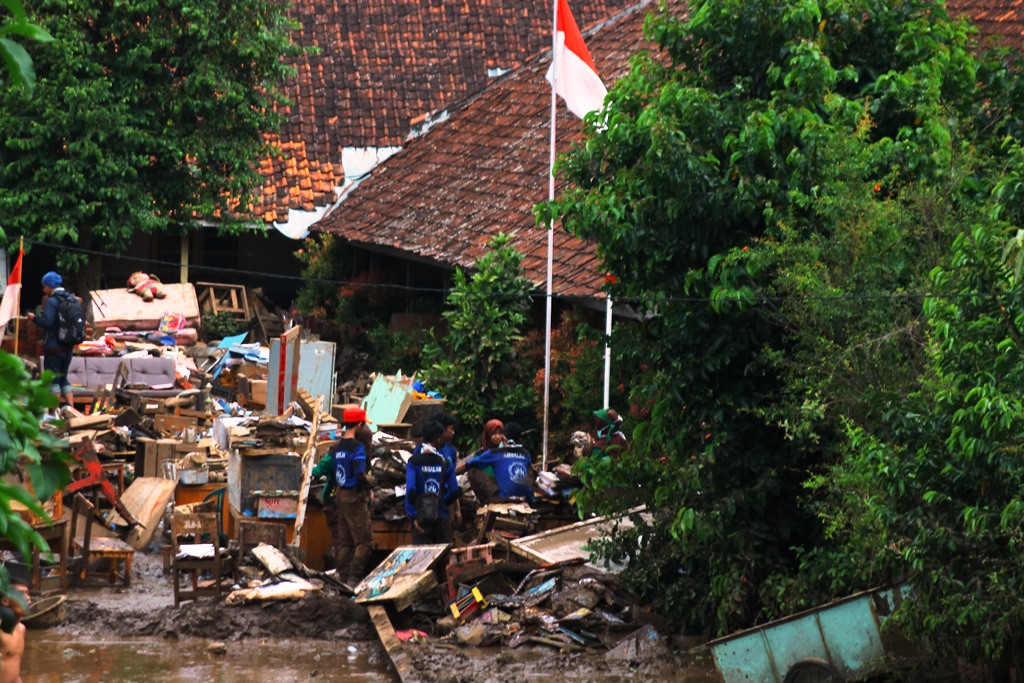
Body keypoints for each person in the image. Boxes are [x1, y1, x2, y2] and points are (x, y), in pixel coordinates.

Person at [310, 408, 375, 587]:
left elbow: (328, 467)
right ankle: (354, 580)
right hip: (354, 496)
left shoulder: (337, 446)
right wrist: (370, 482)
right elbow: (360, 473)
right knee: (365, 541)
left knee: (345, 541)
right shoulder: (358, 447)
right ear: (360, 424)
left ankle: (342, 576)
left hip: (338, 496)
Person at [26, 272, 78, 408]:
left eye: (45, 287)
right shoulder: (71, 299)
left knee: (54, 380)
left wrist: (33, 318)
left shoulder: (52, 301)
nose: (44, 290)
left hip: (54, 347)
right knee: (63, 378)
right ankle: (71, 409)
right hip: (68, 347)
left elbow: (47, 322)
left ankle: (53, 413)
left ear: (50, 286)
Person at [405, 420, 461, 544]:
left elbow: (411, 491)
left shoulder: (413, 462)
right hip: (441, 516)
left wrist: (414, 515)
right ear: (439, 439)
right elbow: (455, 491)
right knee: (441, 557)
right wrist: (440, 503)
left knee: (421, 557)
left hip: (421, 517)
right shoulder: (446, 463)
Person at [457, 421, 534, 504]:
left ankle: (485, 503)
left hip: (504, 498)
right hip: (528, 498)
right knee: (530, 468)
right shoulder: (526, 453)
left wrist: (449, 473)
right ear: (519, 439)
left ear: (503, 438)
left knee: (473, 471)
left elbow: (467, 465)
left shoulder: (494, 453)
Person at [413, 412, 462, 529]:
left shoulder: (450, 451)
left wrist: (457, 509)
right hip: (423, 501)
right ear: (442, 430)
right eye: (451, 429)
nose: (453, 432)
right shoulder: (419, 450)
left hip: (444, 501)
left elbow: (452, 483)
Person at [0, 575, 30, 683]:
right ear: (5, 601)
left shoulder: (21, 629)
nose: (27, 598)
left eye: (28, 593)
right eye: (21, 594)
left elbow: (14, 670)